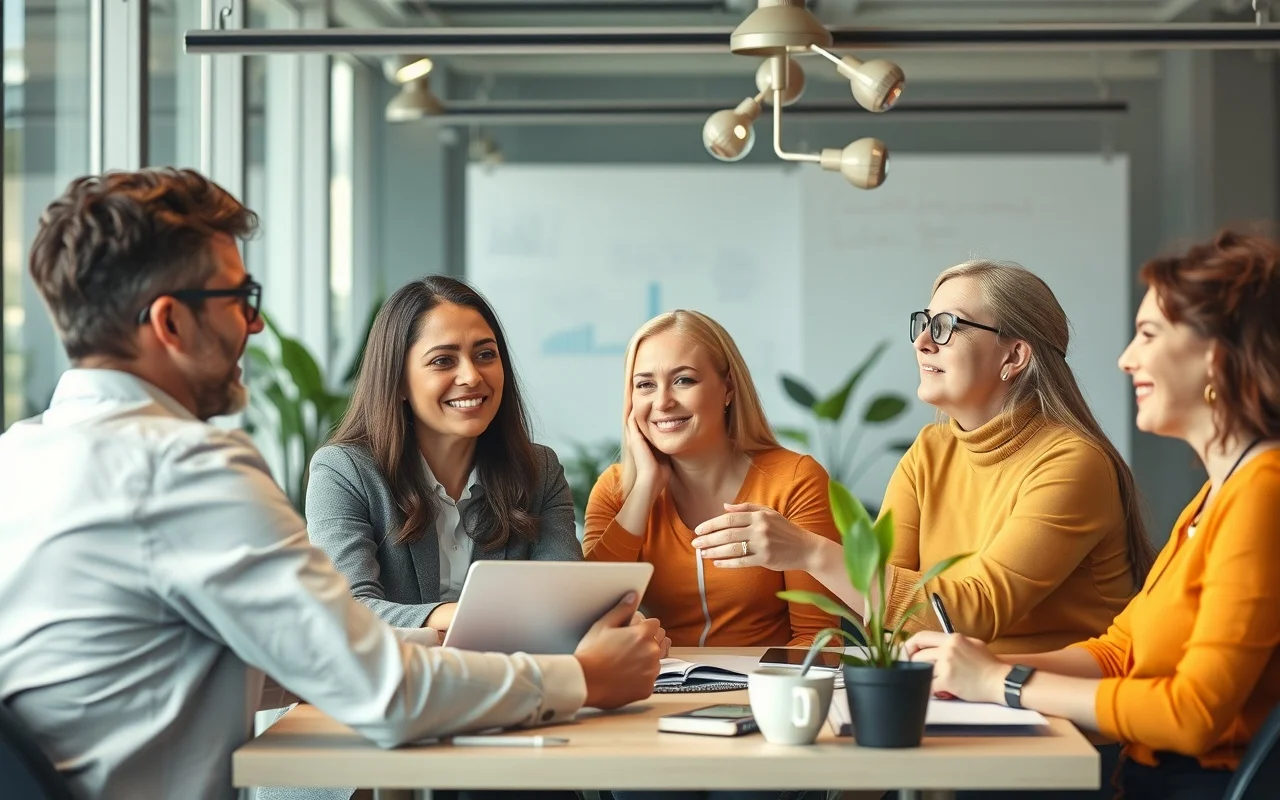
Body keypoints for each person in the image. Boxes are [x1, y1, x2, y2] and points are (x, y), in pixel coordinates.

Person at [0, 168, 663, 800]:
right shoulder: (184, 468)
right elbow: (382, 693)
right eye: (239, 300)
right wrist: (580, 677)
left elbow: (245, 664)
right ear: (171, 323)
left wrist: (434, 640)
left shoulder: (18, 458)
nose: (253, 325)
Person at [906, 230, 1280, 799]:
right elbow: (1119, 650)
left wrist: (1002, 682)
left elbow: (1192, 713)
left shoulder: (1263, 494)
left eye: (1149, 335)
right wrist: (978, 664)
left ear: (1216, 358)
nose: (1126, 359)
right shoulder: (1212, 499)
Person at [692, 261, 1155, 654]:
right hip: (958, 702)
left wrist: (809, 550)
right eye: (924, 323)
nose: (922, 343)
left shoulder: (1073, 464)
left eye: (947, 327)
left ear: (1013, 356)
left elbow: (974, 612)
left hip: (1058, 718)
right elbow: (886, 607)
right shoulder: (930, 453)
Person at [306, 276, 587, 636]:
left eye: (486, 354)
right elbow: (345, 609)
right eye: (443, 360)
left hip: (513, 683)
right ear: (398, 381)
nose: (471, 376)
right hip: (400, 687)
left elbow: (562, 599)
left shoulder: (539, 470)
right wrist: (461, 617)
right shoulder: (344, 472)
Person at [584, 309, 842, 649]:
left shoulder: (795, 479)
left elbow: (819, 638)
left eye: (684, 380)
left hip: (762, 688)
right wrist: (644, 488)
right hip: (659, 688)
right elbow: (585, 619)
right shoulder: (616, 490)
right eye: (645, 384)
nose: (662, 401)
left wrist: (754, 696)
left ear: (728, 390)